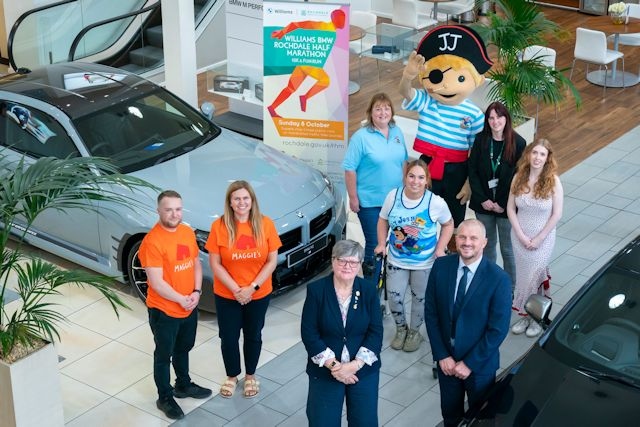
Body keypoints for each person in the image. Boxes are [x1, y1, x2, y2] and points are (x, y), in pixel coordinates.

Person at [399, 25, 493, 252]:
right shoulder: (427, 101)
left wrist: (470, 182)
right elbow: (406, 92)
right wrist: (407, 76)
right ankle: (420, 249)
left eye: (460, 77)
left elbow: (477, 153)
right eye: (436, 76)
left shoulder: (474, 114)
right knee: (422, 210)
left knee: (454, 214)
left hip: (458, 169)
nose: (446, 85)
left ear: (476, 80)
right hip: (427, 164)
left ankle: (451, 253)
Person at [424, 219, 512, 427]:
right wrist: (441, 355)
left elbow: (497, 330)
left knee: (480, 419)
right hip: (447, 362)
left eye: (474, 238)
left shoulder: (499, 279)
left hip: (479, 366)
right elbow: (431, 313)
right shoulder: (441, 267)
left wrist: (469, 363)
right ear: (456, 239)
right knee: (450, 415)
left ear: (484, 242)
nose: (467, 242)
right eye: (462, 237)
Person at [139, 190, 212, 420]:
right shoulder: (152, 242)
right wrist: (181, 299)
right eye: (168, 209)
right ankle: (165, 397)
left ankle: (183, 385)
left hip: (189, 305)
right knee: (164, 355)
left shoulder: (186, 232)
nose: (174, 214)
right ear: (158, 210)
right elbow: (157, 282)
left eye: (178, 209)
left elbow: (195, 264)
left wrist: (197, 292)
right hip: (165, 311)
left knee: (184, 347)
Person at [205, 180, 282, 398]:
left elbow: (271, 261)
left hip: (258, 293)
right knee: (228, 337)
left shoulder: (265, 224)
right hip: (227, 295)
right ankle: (232, 375)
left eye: (245, 198)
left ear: (252, 201)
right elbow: (215, 264)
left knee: (253, 335)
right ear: (230, 202)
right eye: (236, 198)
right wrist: (237, 290)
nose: (241, 202)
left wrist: (251, 288)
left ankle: (250, 375)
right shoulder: (218, 227)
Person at [301, 240, 383, 427]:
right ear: (333, 261)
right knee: (322, 421)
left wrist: (355, 365)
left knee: (365, 421)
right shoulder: (316, 290)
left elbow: (376, 331)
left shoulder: (369, 290)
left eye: (353, 262)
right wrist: (336, 367)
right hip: (325, 369)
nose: (347, 266)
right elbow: (309, 333)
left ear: (359, 264)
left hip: (362, 369)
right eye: (342, 261)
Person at [374, 159, 453, 352]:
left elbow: (448, 224)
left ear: (427, 180)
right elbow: (383, 220)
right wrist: (380, 243)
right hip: (396, 260)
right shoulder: (393, 196)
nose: (415, 181)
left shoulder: (435, 202)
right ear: (405, 177)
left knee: (420, 299)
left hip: (424, 263)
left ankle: (414, 332)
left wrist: (440, 248)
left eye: (420, 177)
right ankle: (401, 329)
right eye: (411, 176)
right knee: (394, 297)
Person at [343, 93, 408, 279]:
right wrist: (353, 198)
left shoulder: (397, 132)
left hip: (395, 200)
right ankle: (371, 287)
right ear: (370, 112)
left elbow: (403, 161)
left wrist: (406, 191)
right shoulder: (361, 137)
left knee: (395, 240)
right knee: (374, 243)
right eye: (378, 108)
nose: (383, 112)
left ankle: (388, 278)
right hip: (370, 203)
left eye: (387, 108)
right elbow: (349, 169)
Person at [507, 139, 563, 338]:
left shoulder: (553, 181)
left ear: (548, 158)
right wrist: (521, 235)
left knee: (534, 277)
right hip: (520, 237)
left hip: (543, 239)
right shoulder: (519, 177)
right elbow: (510, 209)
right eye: (535, 153)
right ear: (528, 155)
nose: (537, 158)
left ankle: (538, 318)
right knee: (523, 278)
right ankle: (526, 315)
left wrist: (539, 239)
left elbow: (557, 214)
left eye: (542, 154)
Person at [468, 102, 526, 285]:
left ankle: (509, 287)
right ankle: (488, 284)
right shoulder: (481, 140)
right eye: (491, 118)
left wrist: (503, 202)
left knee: (508, 250)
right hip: (483, 204)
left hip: (506, 206)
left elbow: (519, 177)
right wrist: (483, 198)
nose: (495, 121)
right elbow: (473, 171)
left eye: (499, 117)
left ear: (506, 119)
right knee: (487, 247)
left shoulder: (518, 143)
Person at [267, 9, 346, 118]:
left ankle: (272, 108)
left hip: (303, 62)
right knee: (325, 80)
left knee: (290, 88)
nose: (344, 22)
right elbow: (297, 24)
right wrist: (283, 32)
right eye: (342, 18)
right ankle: (304, 97)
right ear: (334, 18)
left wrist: (283, 32)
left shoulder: (331, 30)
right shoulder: (323, 26)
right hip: (310, 64)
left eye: (344, 19)